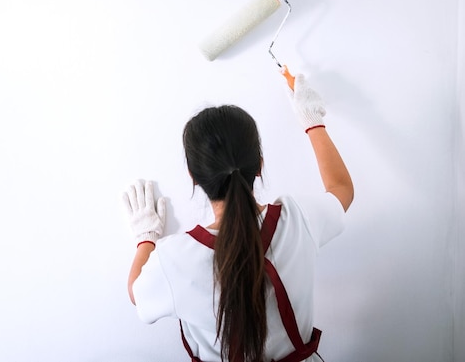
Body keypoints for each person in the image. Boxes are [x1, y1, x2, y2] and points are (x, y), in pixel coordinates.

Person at [122, 70, 354, 362]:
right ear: (259, 165)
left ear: (194, 177)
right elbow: (341, 189)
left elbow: (136, 294)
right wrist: (312, 120)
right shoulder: (297, 219)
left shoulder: (175, 259)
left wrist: (146, 238)